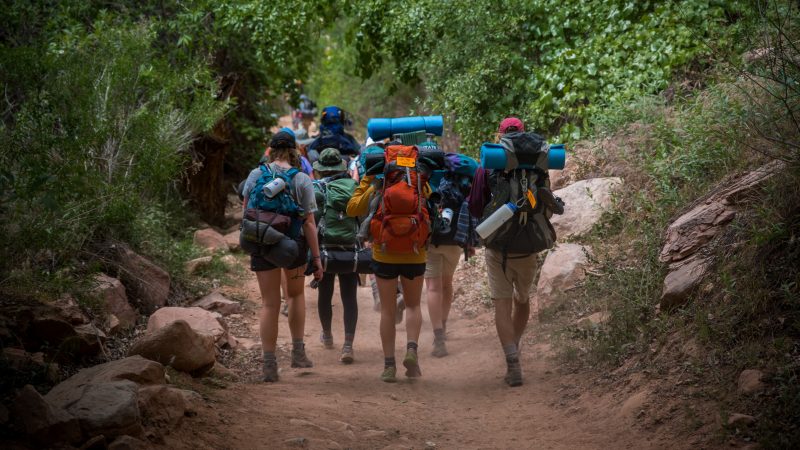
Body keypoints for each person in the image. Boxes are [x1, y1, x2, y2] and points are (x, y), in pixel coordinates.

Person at [468, 117, 556, 387]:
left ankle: (512, 360)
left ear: (500, 136)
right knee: (523, 299)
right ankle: (515, 346)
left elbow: (475, 205)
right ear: (523, 133)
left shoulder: (489, 164)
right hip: (529, 245)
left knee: (502, 305)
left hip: (498, 246)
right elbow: (547, 204)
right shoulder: (539, 165)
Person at [242, 130, 324, 382]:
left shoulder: (256, 174)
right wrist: (317, 259)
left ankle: (269, 365)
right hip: (292, 246)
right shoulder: (301, 179)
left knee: (269, 303)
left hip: (262, 241)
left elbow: (246, 212)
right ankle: (298, 354)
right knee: (295, 295)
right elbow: (309, 223)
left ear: (270, 150)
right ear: (294, 151)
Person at [347, 145, 431, 383]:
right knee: (413, 306)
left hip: (384, 253)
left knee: (387, 310)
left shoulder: (378, 182)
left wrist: (368, 179)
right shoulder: (418, 181)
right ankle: (412, 350)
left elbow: (353, 208)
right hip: (415, 252)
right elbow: (430, 202)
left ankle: (389, 366)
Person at [425, 153, 479, 357]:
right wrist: (470, 243)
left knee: (433, 287)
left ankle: (438, 336)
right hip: (456, 240)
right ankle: (444, 325)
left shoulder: (434, 181)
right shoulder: (467, 186)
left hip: (433, 240)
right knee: (447, 284)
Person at [312, 148, 361, 364]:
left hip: (325, 250)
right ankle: (348, 345)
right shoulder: (354, 187)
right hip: (350, 249)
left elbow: (312, 220)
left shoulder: (317, 189)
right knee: (349, 297)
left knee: (325, 293)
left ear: (321, 169)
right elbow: (361, 217)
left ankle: (327, 335)